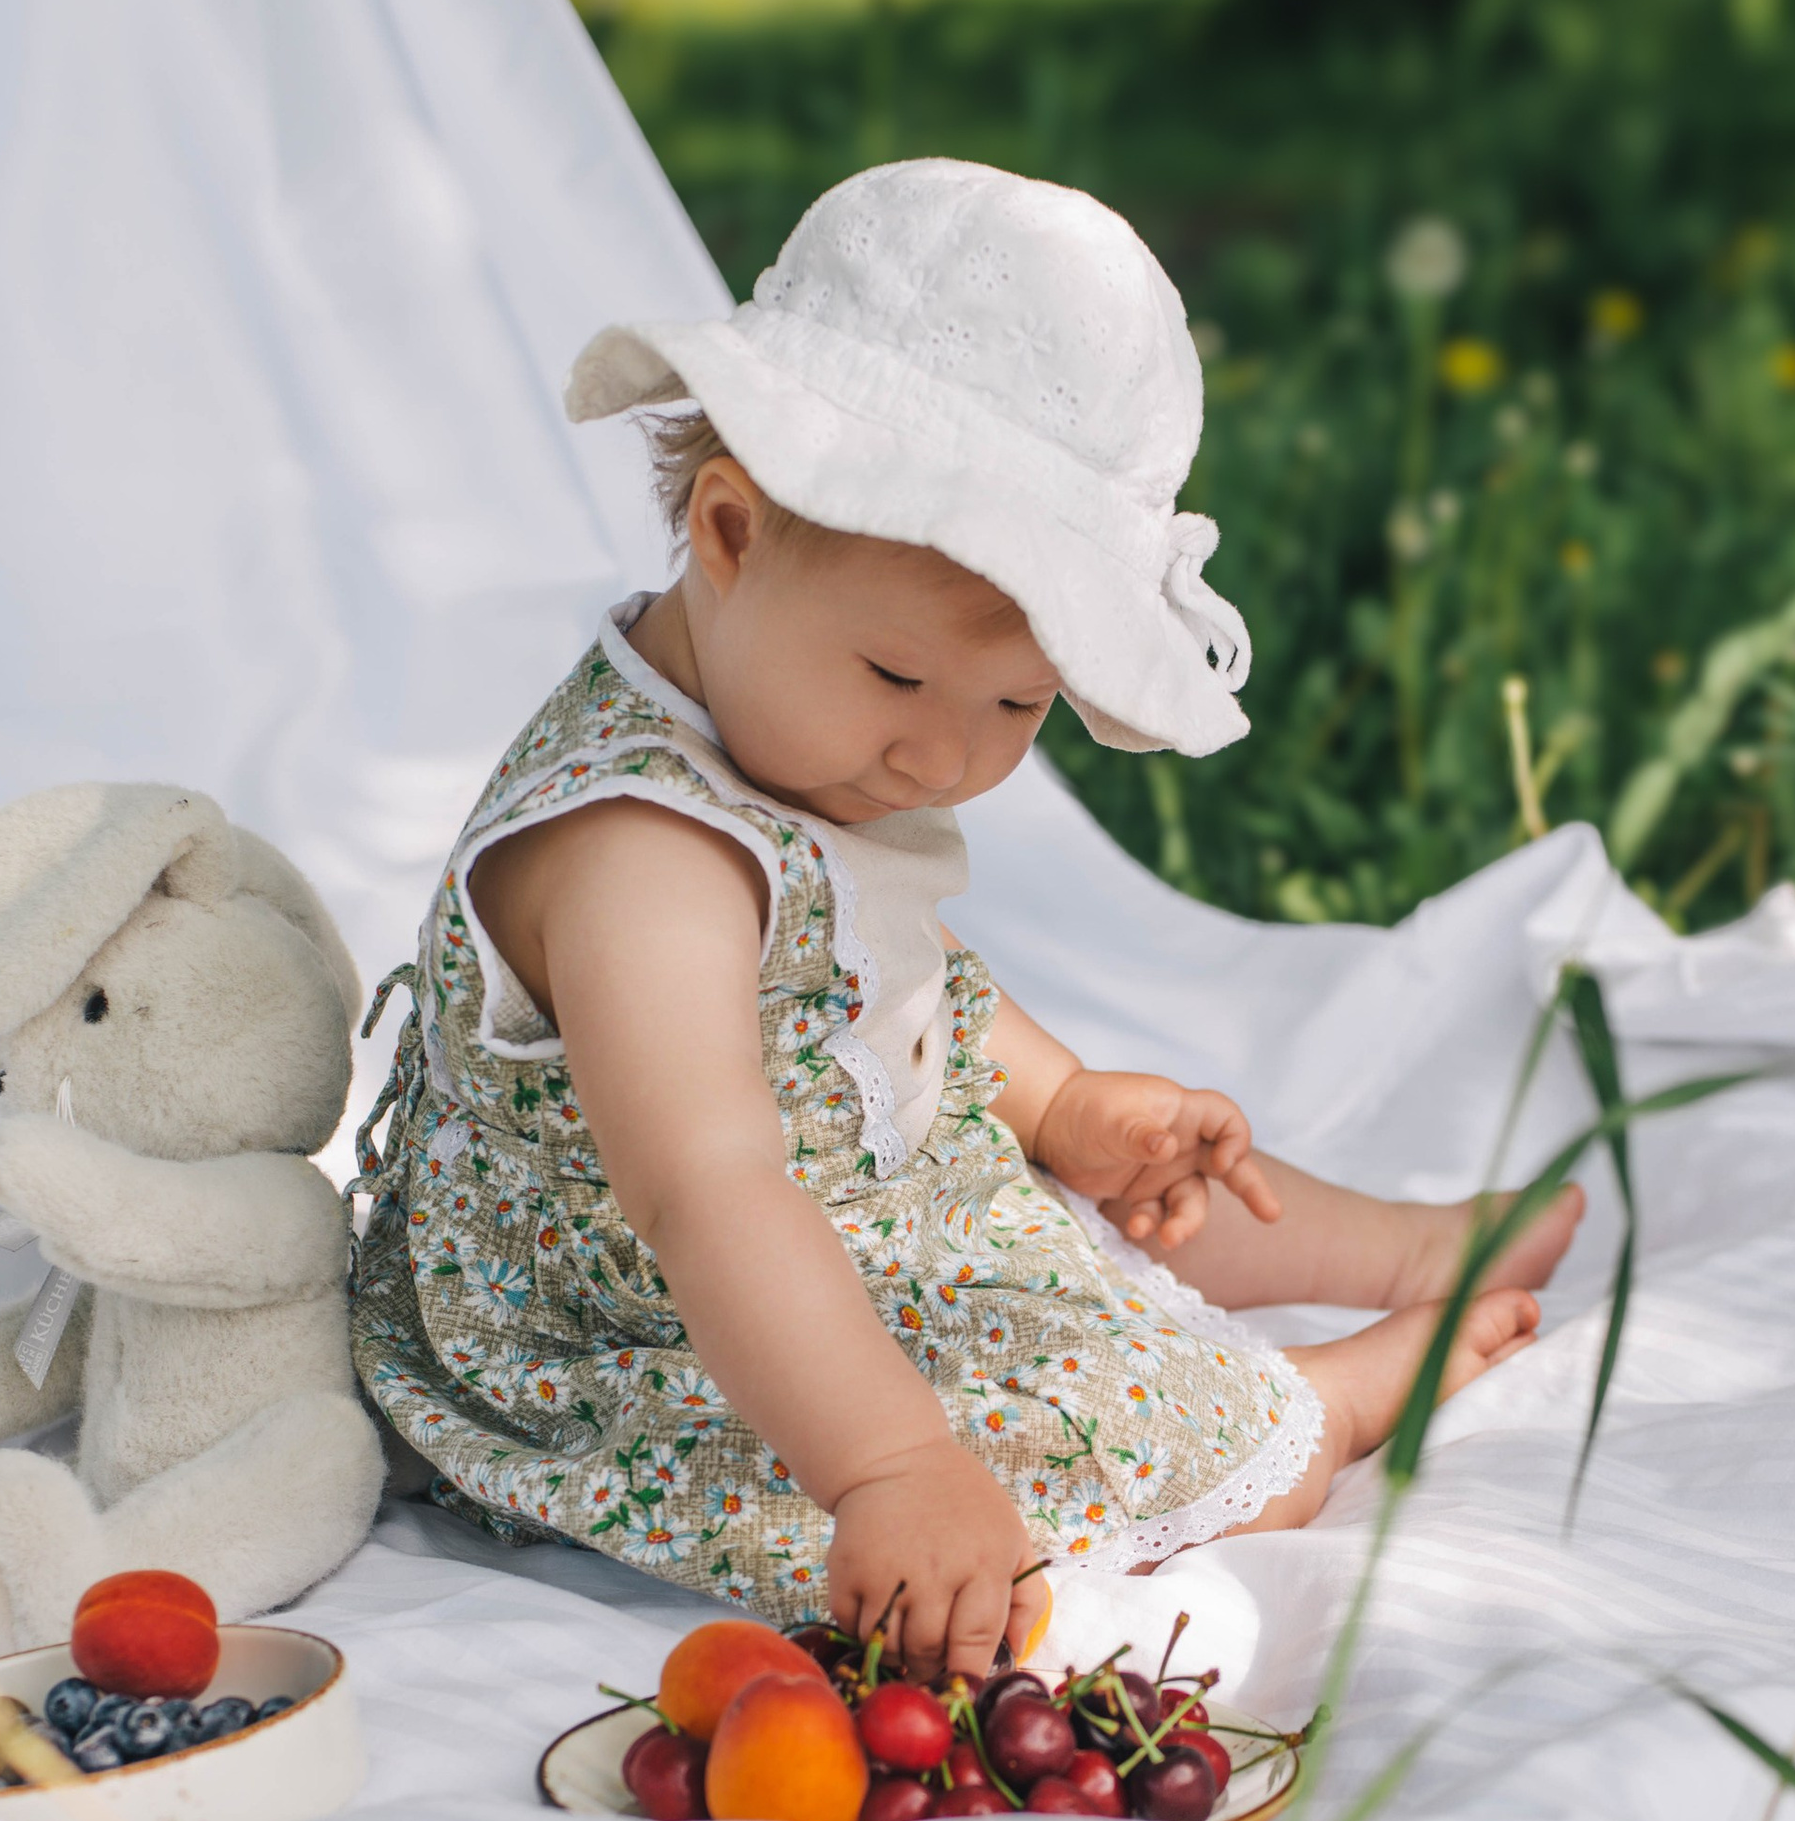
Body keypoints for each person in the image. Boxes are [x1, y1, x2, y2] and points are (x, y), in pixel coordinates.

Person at [352, 159, 1578, 1684]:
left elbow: (874, 985)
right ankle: (1311, 1411)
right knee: (1032, 1426)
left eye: (1019, 705)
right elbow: (711, 1196)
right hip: (657, 1325)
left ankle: (1403, 1245)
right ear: (728, 535)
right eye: (897, 681)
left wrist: (1059, 1102)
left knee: (1092, 1193)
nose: (945, 757)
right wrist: (885, 1471)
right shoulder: (637, 860)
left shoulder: (772, 734)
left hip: (841, 1208)